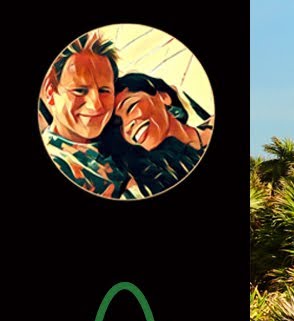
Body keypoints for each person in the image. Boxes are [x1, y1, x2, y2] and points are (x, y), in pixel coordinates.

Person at [39, 32, 138, 198]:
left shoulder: (122, 135)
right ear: (50, 92)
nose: (96, 105)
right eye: (79, 91)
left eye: (104, 91)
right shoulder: (57, 160)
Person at [101, 73, 213, 197]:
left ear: (163, 97)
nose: (127, 126)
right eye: (119, 124)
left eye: (131, 107)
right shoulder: (140, 190)